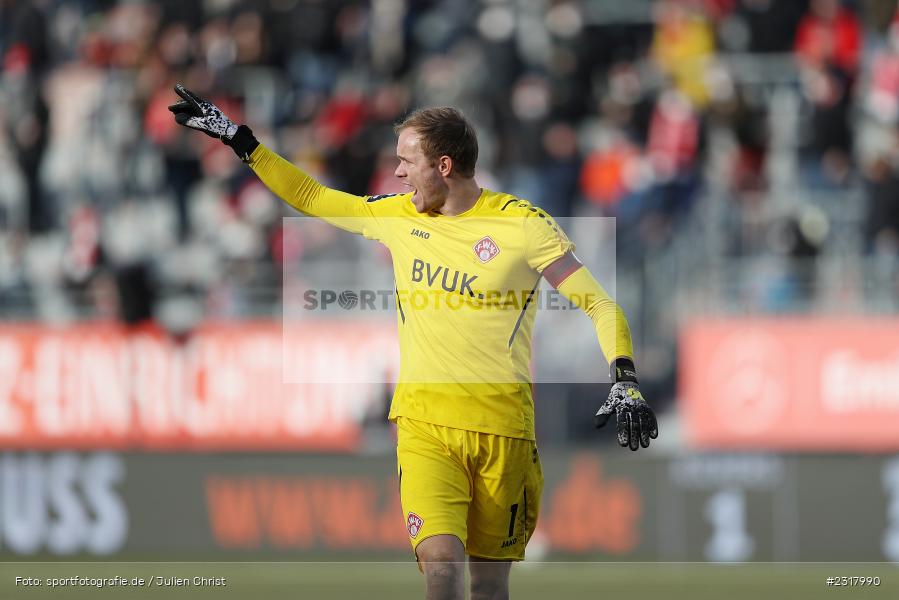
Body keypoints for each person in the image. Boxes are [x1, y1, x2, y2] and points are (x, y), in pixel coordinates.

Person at [169, 84, 658, 600]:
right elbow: (312, 197)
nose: (397, 173)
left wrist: (623, 377)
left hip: (503, 431)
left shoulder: (522, 225)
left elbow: (600, 304)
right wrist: (240, 140)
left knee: (489, 586)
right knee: (441, 566)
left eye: (407, 161)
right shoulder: (399, 216)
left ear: (443, 165)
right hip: (425, 426)